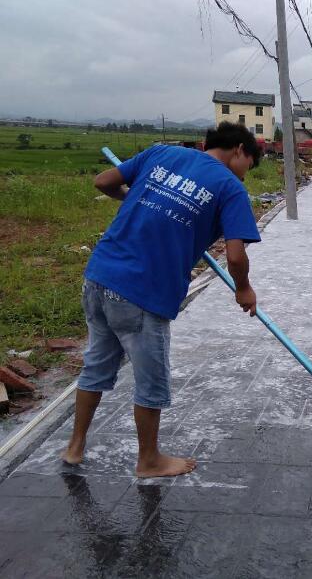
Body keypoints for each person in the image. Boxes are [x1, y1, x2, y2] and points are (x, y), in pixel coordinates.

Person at [62, 122, 262, 477]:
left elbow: (104, 181)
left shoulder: (161, 152)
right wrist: (243, 288)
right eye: (251, 163)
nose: (248, 173)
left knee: (96, 365)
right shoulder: (229, 187)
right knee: (151, 378)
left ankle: (75, 448)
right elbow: (235, 256)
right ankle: (149, 459)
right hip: (143, 290)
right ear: (240, 151)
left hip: (99, 276)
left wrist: (138, 197)